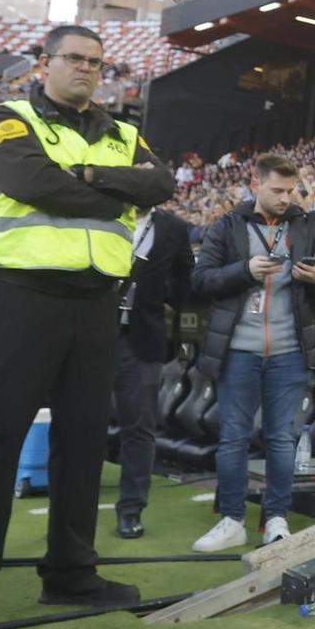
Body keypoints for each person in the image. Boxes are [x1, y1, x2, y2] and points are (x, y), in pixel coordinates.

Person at [0, 26, 176, 629]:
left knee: (85, 441)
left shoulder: (123, 131)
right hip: (22, 297)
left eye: (96, 62)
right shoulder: (4, 119)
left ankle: (70, 573)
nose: (87, 70)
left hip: (96, 303)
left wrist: (84, 179)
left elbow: (161, 186)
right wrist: (112, 192)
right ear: (45, 64)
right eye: (74, 59)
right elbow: (34, 184)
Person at [190, 154, 315, 552]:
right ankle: (232, 520)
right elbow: (200, 281)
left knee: (282, 439)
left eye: (291, 190)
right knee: (233, 437)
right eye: (277, 190)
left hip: (290, 349)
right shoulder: (227, 225)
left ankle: (276, 519)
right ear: (257, 186)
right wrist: (244, 272)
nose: (286, 197)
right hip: (237, 349)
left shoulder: (306, 226)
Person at [112, 202, 193, 540]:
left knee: (140, 425)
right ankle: (71, 504)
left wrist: (161, 297)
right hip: (89, 331)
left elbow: (185, 282)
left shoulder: (173, 227)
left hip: (142, 336)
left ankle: (131, 509)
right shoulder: (101, 211)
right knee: (77, 421)